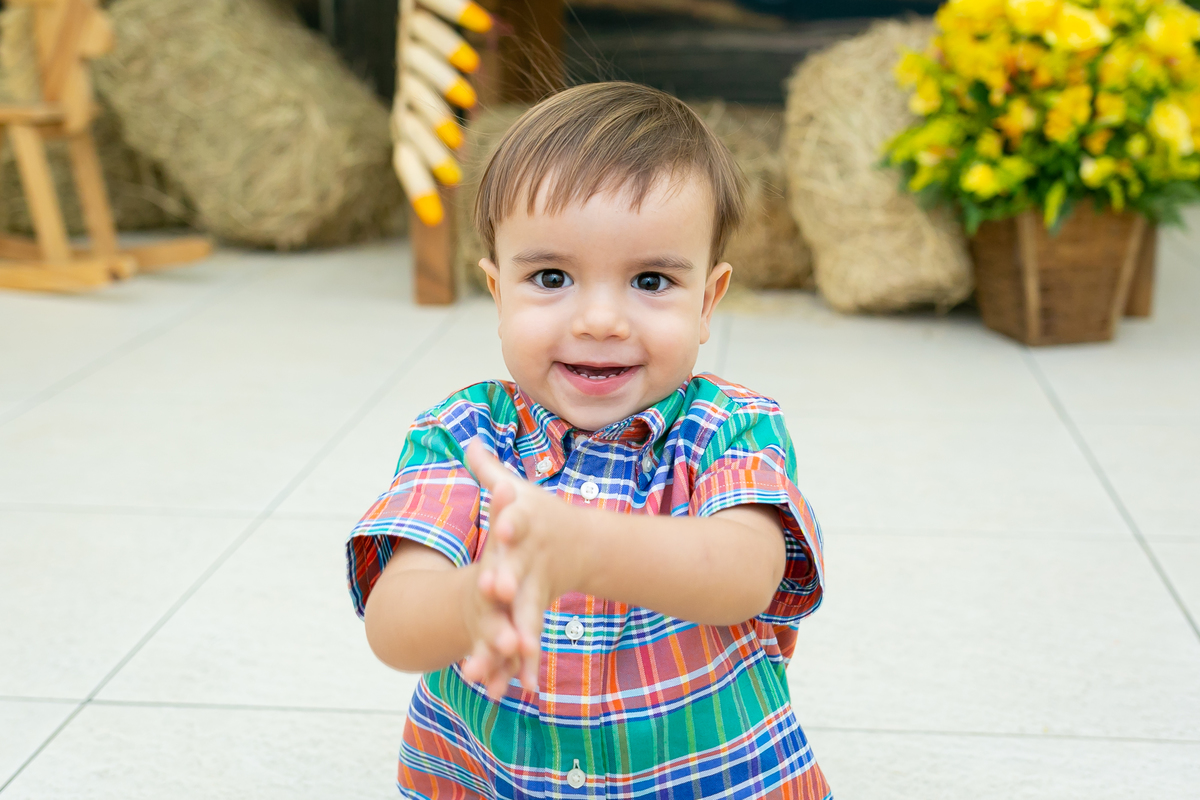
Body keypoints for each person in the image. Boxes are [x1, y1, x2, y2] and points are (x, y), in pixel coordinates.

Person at [347, 81, 829, 799]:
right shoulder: (461, 436)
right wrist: (474, 601)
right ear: (497, 290)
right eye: (551, 276)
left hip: (711, 780)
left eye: (650, 280)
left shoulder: (730, 427)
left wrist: (583, 548)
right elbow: (393, 622)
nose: (601, 319)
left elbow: (744, 573)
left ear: (708, 301)